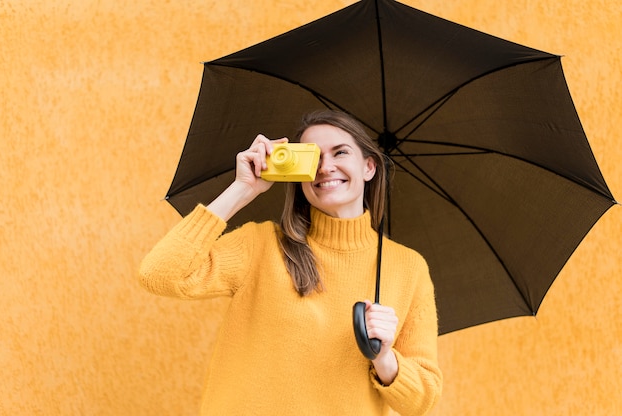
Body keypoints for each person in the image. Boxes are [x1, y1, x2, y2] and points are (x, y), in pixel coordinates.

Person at [139, 110, 442, 415]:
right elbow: (159, 274)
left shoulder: (408, 268)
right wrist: (242, 190)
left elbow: (421, 401)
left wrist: (384, 357)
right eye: (312, 157)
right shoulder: (259, 245)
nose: (325, 167)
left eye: (341, 152)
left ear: (368, 166)